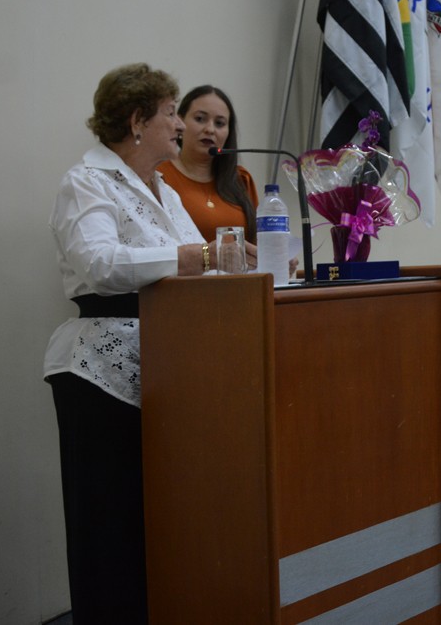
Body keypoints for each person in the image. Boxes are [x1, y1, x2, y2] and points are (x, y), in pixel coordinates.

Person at [43, 63, 251, 623]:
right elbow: (99, 264)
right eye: (170, 113)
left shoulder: (162, 188)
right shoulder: (86, 181)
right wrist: (197, 257)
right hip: (99, 372)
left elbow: (200, 264)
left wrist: (246, 267)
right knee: (108, 523)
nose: (180, 125)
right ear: (137, 121)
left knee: (159, 519)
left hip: (170, 366)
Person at [157, 85, 259, 243]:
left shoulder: (241, 179)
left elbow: (259, 243)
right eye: (200, 119)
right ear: (180, 122)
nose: (210, 129)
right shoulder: (158, 176)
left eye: (219, 123)